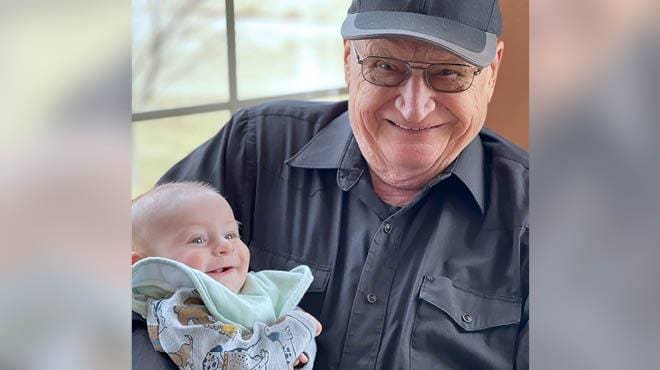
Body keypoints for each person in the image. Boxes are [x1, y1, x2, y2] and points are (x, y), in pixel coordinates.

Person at [134, 0, 528, 368]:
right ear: (348, 61)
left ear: (491, 73)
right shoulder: (253, 148)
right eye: (385, 67)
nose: (413, 106)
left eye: (448, 74)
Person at [132, 182, 321, 369]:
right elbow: (234, 364)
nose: (225, 246)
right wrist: (297, 329)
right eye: (198, 240)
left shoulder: (257, 288)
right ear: (140, 263)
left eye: (230, 235)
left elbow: (303, 337)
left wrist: (299, 355)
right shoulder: (177, 312)